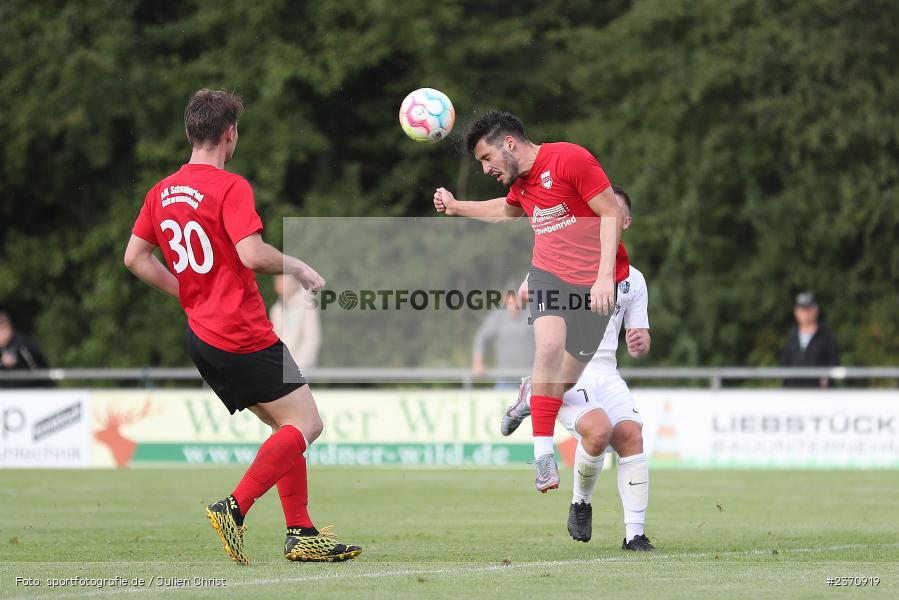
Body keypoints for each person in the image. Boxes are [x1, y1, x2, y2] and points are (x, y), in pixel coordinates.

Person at [124, 89, 360, 565]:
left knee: (283, 427)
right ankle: (234, 508)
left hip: (202, 335)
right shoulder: (229, 187)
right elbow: (252, 254)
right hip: (241, 332)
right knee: (307, 424)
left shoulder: (161, 192)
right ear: (230, 134)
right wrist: (297, 266)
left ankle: (301, 532)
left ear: (190, 131)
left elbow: (135, 258)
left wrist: (188, 293)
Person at [434, 110, 629, 493]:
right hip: (548, 276)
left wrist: (605, 276)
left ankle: (530, 393)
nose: (485, 168)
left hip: (595, 284)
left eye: (487, 158)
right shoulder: (520, 185)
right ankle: (542, 458)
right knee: (549, 347)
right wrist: (457, 207)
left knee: (561, 384)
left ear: (509, 143)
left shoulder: (570, 159)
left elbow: (610, 211)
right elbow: (506, 210)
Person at [502, 187, 655, 551]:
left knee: (631, 435)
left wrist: (640, 342)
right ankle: (581, 502)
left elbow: (642, 338)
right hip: (570, 371)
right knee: (598, 431)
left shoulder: (632, 280)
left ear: (625, 222)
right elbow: (524, 294)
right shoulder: (563, 262)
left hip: (607, 372)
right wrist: (520, 296)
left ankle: (635, 535)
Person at [471, 289, 534, 388]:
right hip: (505, 378)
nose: (514, 302)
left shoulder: (532, 314)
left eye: (517, 298)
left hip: (530, 378)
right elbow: (481, 338)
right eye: (511, 299)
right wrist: (478, 364)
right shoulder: (498, 316)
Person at [781, 292, 839, 388]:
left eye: (808, 309)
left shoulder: (826, 336)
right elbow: (785, 364)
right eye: (802, 310)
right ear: (796, 312)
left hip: (818, 391)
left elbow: (833, 362)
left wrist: (826, 381)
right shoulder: (791, 335)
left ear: (816, 311)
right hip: (793, 391)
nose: (805, 313)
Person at [270, 274, 322, 368]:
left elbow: (312, 341)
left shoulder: (308, 304)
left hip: (303, 368)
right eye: (278, 279)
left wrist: (296, 368)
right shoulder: (276, 310)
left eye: (283, 279)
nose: (279, 283)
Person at [0, 308, 49, 388]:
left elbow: (36, 371)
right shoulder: (3, 347)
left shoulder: (23, 344)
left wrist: (17, 360)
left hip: (36, 390)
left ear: (7, 329)